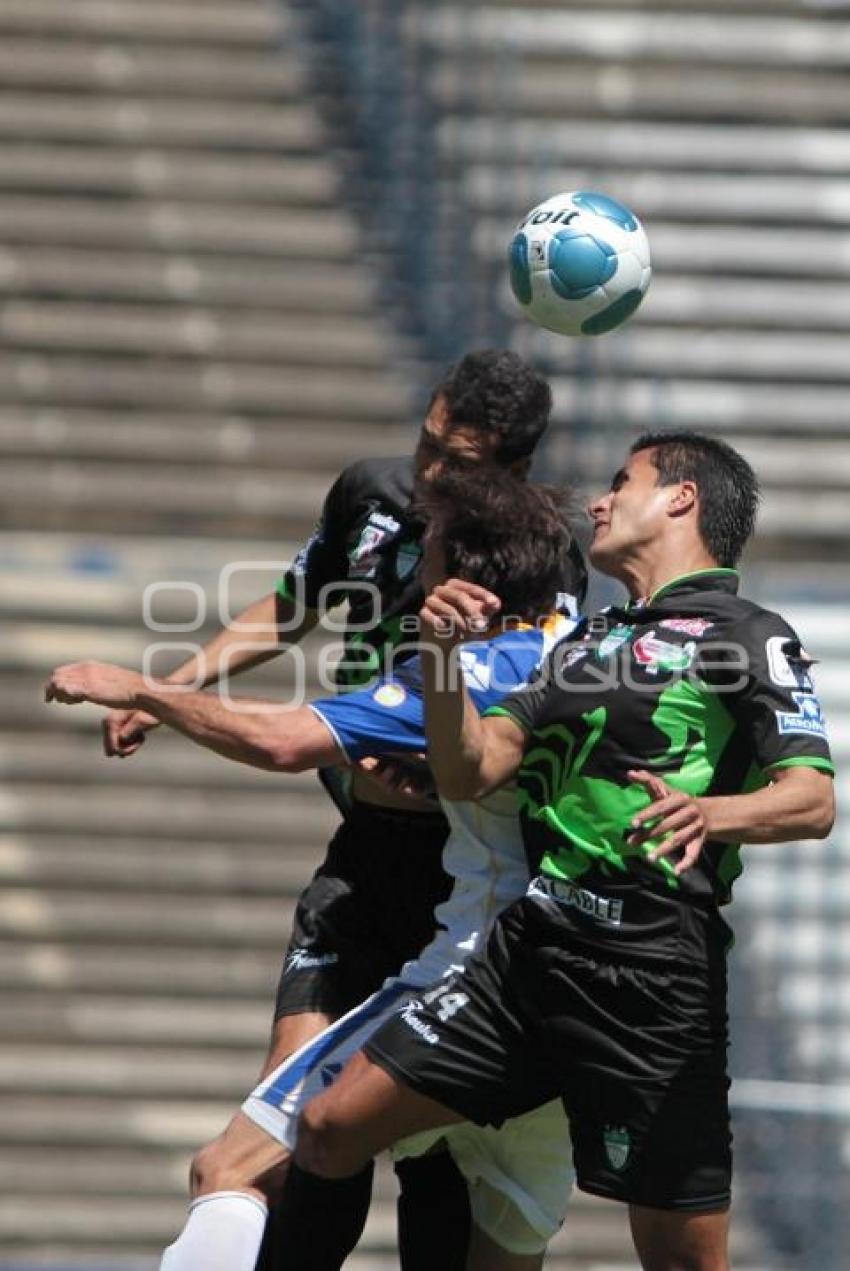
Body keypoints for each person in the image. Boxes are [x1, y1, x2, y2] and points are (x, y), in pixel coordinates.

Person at [286, 431, 836, 1271]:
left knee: (683, 1260)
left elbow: (812, 797)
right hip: (528, 956)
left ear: (681, 500)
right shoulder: (585, 639)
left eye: (624, 483)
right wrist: (436, 660)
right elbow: (475, 767)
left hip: (652, 978)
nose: (601, 501)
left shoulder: (748, 633)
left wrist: (710, 813)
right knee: (326, 1129)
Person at [100, 350, 587, 1269]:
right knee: (289, 1132)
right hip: (363, 861)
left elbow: (537, 706)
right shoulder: (371, 495)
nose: (432, 473)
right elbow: (293, 603)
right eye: (428, 444)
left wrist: (445, 755)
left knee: (439, 1171)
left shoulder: (542, 549)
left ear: (514, 473)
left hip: (465, 877)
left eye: (462, 461)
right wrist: (176, 681)